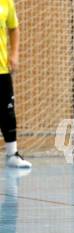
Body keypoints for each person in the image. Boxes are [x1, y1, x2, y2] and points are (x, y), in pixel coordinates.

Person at [0, 0, 31, 168]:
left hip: (2, 69)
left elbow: (13, 28)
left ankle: (12, 154)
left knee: (7, 111)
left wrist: (14, 54)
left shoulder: (6, 2)